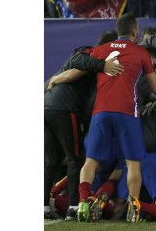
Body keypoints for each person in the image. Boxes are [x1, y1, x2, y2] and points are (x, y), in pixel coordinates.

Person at [76, 13, 156, 223]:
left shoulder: (101, 50)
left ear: (117, 31)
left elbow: (77, 64)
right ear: (135, 32)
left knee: (91, 161)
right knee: (133, 163)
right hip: (127, 112)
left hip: (101, 112)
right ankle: (134, 208)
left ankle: (83, 203)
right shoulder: (141, 52)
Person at [44, 30, 121, 221]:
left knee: (53, 160)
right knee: (75, 158)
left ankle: (43, 206)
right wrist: (103, 64)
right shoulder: (90, 53)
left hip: (48, 106)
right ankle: (73, 206)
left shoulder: (91, 63)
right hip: (64, 109)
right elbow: (79, 60)